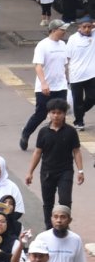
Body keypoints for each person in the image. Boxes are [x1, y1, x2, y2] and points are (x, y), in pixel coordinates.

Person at [25, 99, 84, 230]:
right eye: (53, 112)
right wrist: (30, 172)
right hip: (47, 172)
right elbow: (37, 152)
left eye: (59, 113)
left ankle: (64, 226)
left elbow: (76, 151)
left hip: (65, 172)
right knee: (48, 203)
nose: (56, 115)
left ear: (64, 114)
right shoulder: (43, 132)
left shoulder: (70, 131)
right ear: (48, 114)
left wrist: (80, 171)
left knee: (65, 201)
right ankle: (49, 228)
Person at [21, 20, 70, 151]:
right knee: (41, 114)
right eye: (62, 30)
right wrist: (43, 83)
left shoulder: (63, 45)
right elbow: (38, 66)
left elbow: (65, 65)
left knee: (60, 114)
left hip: (61, 86)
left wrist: (67, 80)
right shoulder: (42, 46)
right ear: (54, 30)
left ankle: (59, 141)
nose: (65, 32)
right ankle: (26, 133)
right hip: (45, 86)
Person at [68, 16, 95, 130]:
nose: (87, 29)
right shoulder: (73, 39)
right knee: (77, 100)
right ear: (79, 27)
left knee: (92, 98)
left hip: (91, 74)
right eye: (84, 27)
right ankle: (79, 122)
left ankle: (79, 112)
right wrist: (66, 76)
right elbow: (67, 58)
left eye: (89, 27)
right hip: (76, 75)